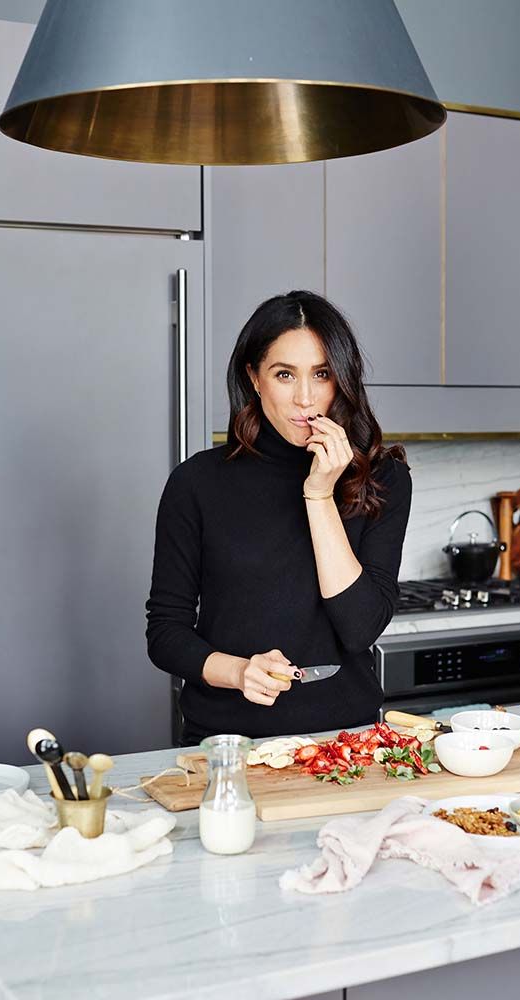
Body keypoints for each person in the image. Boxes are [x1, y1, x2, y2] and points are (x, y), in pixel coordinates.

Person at [145, 290, 412, 746]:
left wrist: (319, 494)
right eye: (284, 374)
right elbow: (166, 633)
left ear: (342, 379)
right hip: (227, 745)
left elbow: (360, 627)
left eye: (322, 374)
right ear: (254, 377)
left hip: (348, 741)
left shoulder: (382, 478)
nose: (305, 398)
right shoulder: (196, 483)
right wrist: (239, 671)